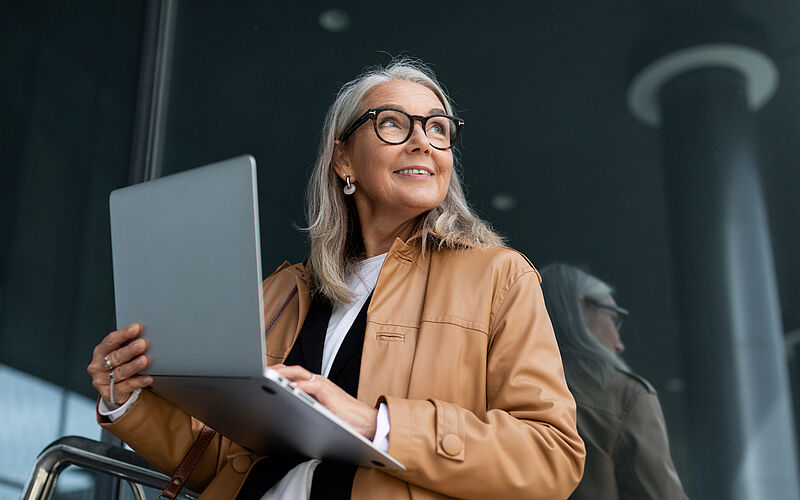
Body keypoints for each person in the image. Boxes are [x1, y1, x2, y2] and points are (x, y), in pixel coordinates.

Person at [87, 59, 585, 500]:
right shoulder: (282, 293)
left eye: (437, 128)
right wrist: (126, 398)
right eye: (393, 123)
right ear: (343, 158)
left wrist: (375, 425)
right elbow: (220, 462)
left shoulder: (499, 276)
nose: (422, 141)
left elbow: (552, 457)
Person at [539, 263, 687, 500]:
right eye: (613, 318)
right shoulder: (625, 396)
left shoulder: (497, 394)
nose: (620, 344)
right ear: (581, 307)